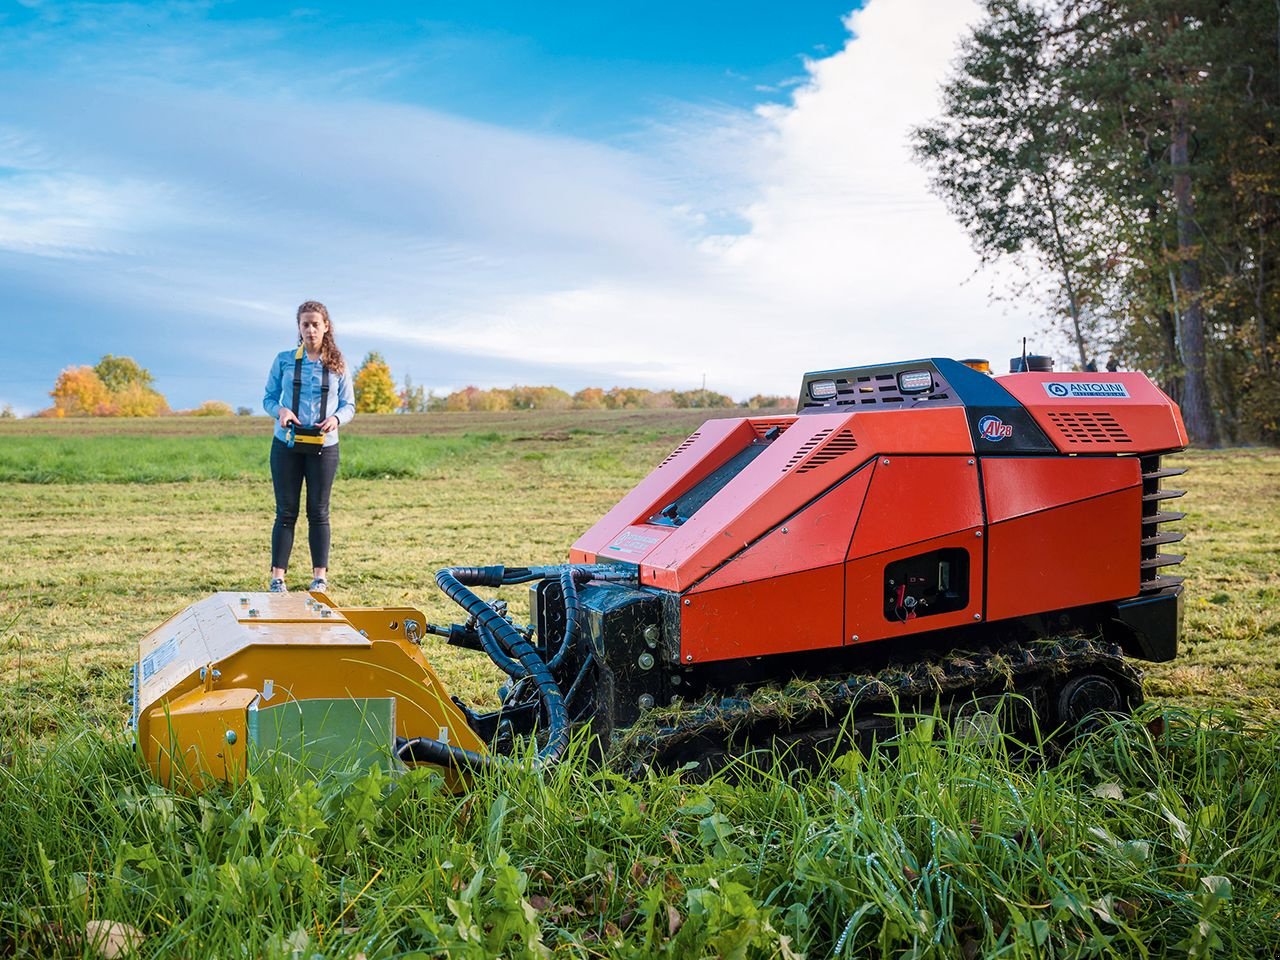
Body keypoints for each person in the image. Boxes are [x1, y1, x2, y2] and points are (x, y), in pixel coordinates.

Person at [262, 301, 356, 593]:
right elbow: (268, 398)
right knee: (286, 512)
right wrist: (281, 412)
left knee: (318, 512)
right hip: (286, 445)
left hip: (324, 447)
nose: (310, 329)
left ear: (326, 326)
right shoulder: (284, 360)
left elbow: (349, 404)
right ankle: (278, 578)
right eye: (305, 324)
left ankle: (319, 578)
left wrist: (336, 419)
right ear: (299, 328)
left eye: (316, 324)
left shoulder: (338, 363)